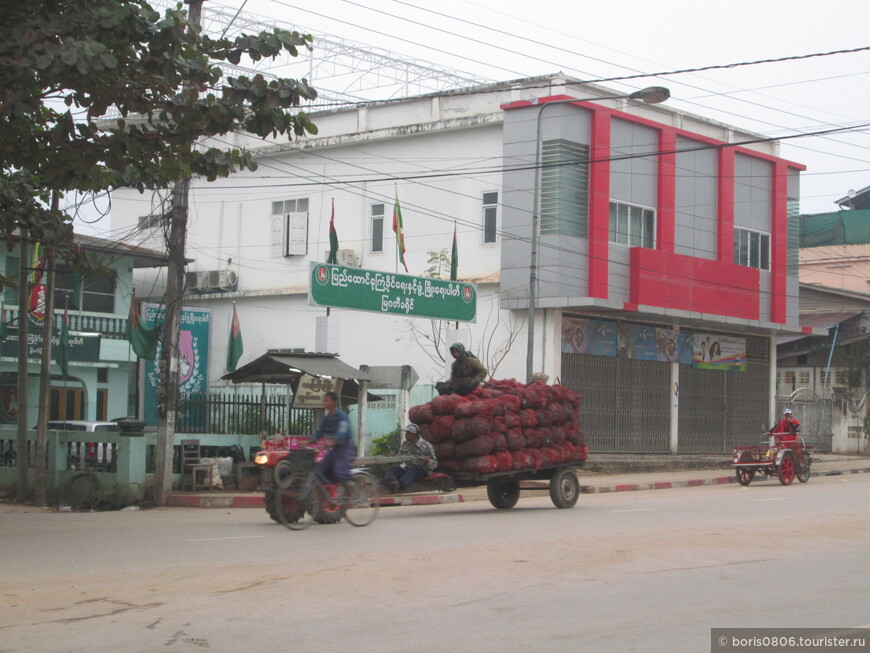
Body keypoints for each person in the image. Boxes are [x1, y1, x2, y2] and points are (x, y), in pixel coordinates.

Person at [310, 391, 356, 489]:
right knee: (319, 471)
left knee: (339, 471)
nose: (325, 403)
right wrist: (311, 441)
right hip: (334, 451)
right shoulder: (327, 419)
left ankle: (350, 494)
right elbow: (319, 432)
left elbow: (343, 432)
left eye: (327, 400)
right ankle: (328, 499)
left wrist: (333, 440)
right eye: (324, 400)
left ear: (334, 403)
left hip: (345, 449)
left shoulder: (341, 416)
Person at [380, 424, 437, 493]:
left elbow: (434, 463)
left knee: (415, 469)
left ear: (412, 434)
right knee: (394, 469)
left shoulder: (426, 445)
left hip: (422, 470)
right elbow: (400, 458)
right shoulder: (405, 444)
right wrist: (393, 458)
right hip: (408, 469)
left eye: (407, 433)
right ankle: (387, 482)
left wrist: (428, 461)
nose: (405, 435)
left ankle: (400, 486)